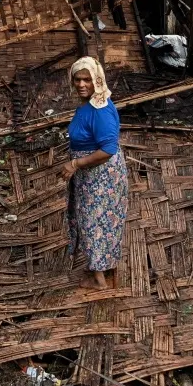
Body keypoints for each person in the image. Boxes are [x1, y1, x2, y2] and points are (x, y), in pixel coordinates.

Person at [60, 57, 129, 289]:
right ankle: (104, 265)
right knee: (102, 220)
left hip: (100, 175)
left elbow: (108, 149)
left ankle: (99, 279)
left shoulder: (100, 110)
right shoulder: (91, 103)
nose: (81, 84)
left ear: (97, 80)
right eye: (77, 79)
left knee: (94, 221)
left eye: (87, 80)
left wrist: (76, 164)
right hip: (94, 174)